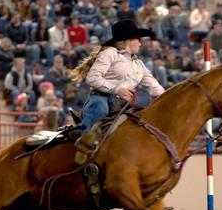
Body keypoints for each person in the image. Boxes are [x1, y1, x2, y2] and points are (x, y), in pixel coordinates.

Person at [70, 19, 165, 152]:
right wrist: (116, 89)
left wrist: (172, 96)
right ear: (127, 40)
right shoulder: (109, 54)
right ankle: (84, 146)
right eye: (137, 38)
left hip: (125, 104)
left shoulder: (139, 64)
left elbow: (156, 89)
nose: (140, 42)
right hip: (102, 98)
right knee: (100, 109)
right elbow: (92, 78)